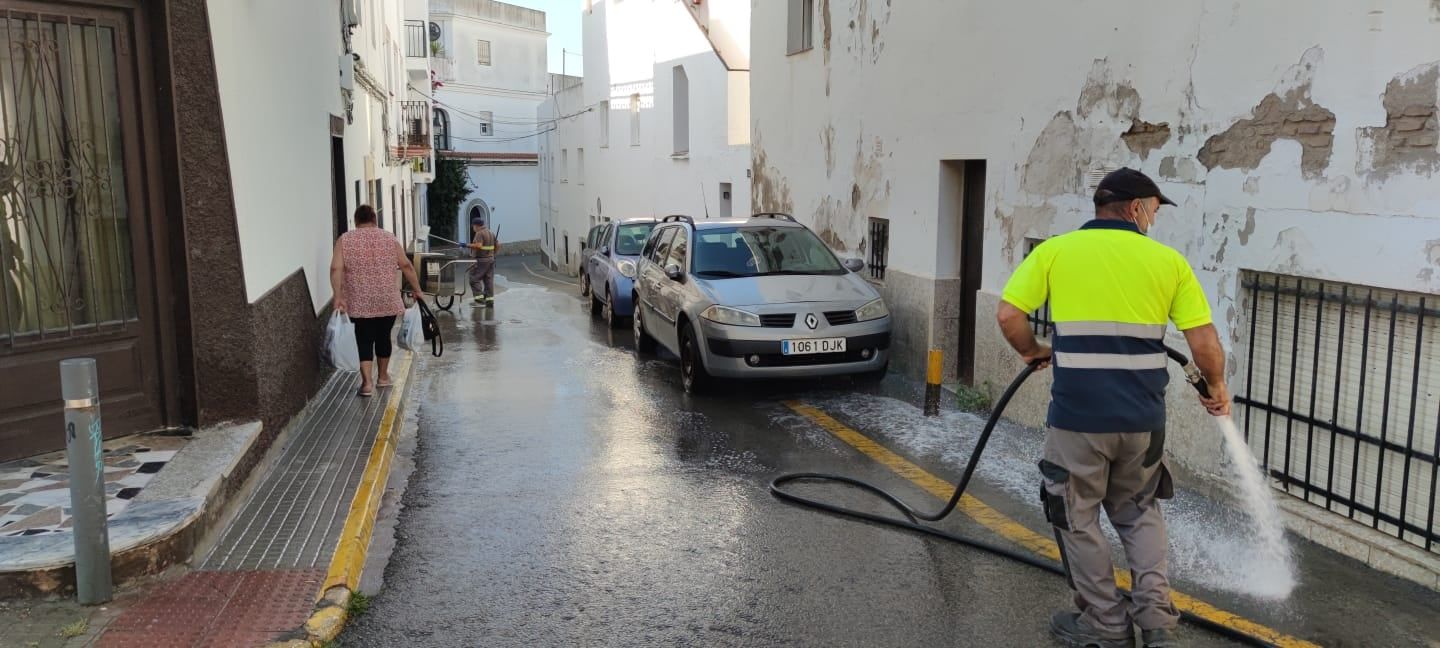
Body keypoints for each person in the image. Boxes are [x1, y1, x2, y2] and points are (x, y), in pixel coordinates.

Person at [996, 168, 1230, 648]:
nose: (1155, 218)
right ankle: (1158, 624)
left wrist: (1032, 351)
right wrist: (1217, 385)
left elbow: (1007, 314)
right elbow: (1203, 341)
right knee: (1139, 513)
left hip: (1078, 421)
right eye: (1155, 209)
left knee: (1076, 517)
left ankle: (1104, 625)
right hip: (1143, 423)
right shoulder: (1168, 262)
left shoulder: (1055, 251)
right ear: (1134, 208)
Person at [330, 205, 425, 397]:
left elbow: (335, 269)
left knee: (363, 340)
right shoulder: (389, 238)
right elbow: (406, 265)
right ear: (375, 219)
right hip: (387, 299)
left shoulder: (345, 240)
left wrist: (338, 295)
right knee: (383, 337)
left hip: (358, 300)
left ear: (356, 221)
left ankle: (366, 384)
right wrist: (418, 290)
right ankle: (383, 377)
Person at [467, 216, 499, 306]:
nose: (473, 228)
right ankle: (489, 301)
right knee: (488, 280)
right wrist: (493, 254)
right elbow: (498, 245)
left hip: (480, 260)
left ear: (476, 225)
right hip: (491, 260)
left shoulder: (479, 233)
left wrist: (467, 245)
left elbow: (479, 245)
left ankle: (479, 300)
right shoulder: (490, 232)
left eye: (473, 226)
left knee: (473, 279)